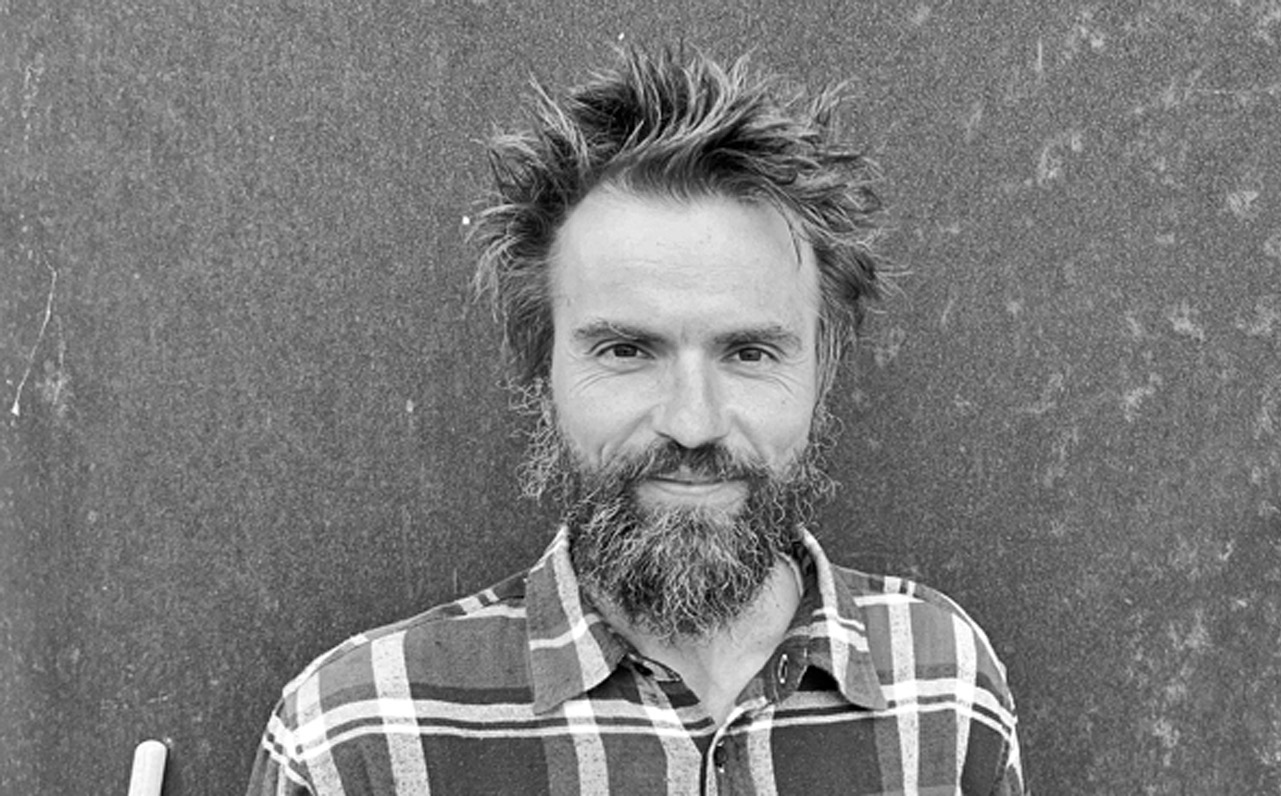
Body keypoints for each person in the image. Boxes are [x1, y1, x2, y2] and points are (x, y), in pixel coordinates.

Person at [246, 43, 1023, 795]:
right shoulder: (359, 740)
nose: (692, 423)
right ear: (540, 372)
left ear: (823, 371)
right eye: (626, 350)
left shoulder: (941, 686)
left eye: (750, 352)